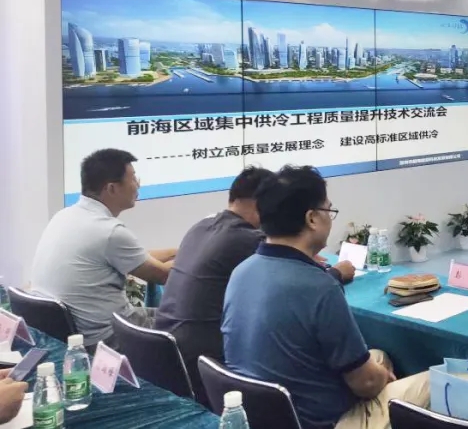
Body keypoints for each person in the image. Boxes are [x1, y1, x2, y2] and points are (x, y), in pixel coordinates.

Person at [223, 166, 429, 429]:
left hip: (258, 415)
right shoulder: (318, 286)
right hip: (322, 423)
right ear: (312, 218)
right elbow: (366, 383)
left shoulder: (241, 271)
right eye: (328, 211)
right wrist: (380, 379)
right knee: (434, 382)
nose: (330, 220)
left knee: (378, 356)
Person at [155, 168, 359, 405]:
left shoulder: (202, 226)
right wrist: (335, 273)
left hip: (174, 354)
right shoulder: (247, 241)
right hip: (205, 365)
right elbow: (303, 283)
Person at [29, 149, 176, 347]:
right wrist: (201, 253)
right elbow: (164, 275)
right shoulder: (109, 232)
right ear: (112, 188)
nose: (138, 184)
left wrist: (180, 251)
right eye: (133, 178)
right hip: (109, 337)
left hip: (69, 334)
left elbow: (138, 258)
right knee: (187, 323)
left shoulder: (65, 216)